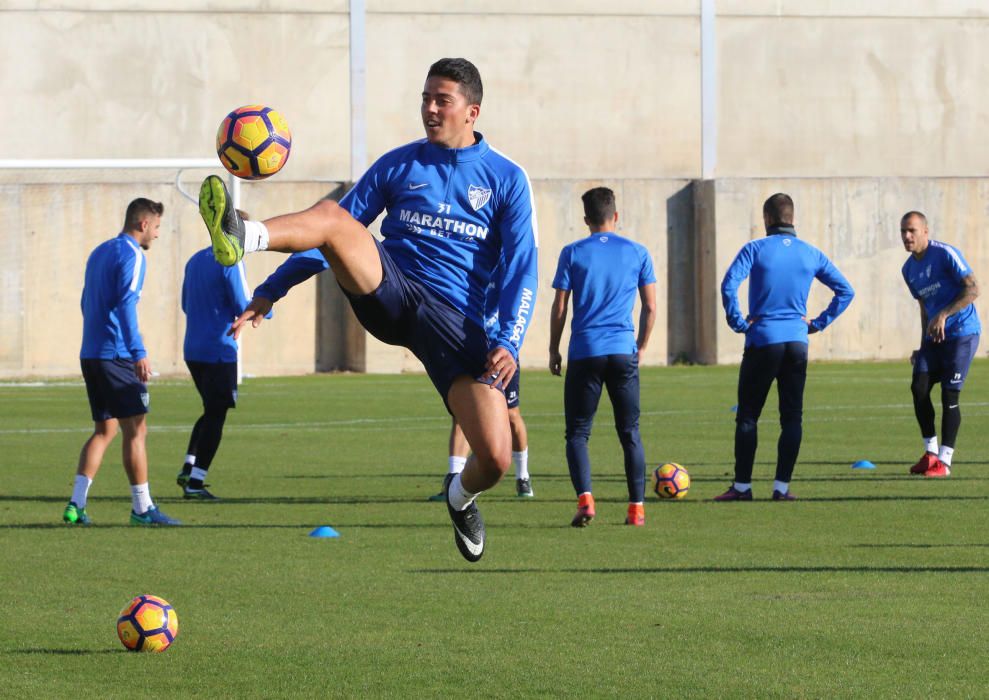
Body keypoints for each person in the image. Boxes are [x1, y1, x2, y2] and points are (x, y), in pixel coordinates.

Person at [198, 58, 538, 562]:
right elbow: (328, 234)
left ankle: (459, 498)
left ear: (472, 111)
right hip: (392, 289)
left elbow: (522, 268)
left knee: (493, 459)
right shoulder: (400, 164)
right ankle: (244, 234)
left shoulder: (506, 178)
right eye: (425, 97)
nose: (429, 108)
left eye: (441, 99)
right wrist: (270, 292)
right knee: (336, 218)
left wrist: (510, 340)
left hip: (459, 324)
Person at [717, 193, 854, 502]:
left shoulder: (755, 249)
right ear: (792, 218)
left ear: (767, 219)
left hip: (763, 339)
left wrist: (738, 322)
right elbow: (845, 291)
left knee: (749, 416)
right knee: (792, 417)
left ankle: (742, 487)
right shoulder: (811, 253)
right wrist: (817, 323)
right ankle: (781, 488)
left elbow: (728, 285)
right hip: (796, 342)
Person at [63, 198, 180, 526]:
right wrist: (138, 352)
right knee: (136, 431)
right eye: (156, 227)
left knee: (104, 430)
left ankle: (76, 505)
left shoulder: (100, 251)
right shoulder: (132, 255)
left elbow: (87, 300)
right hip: (117, 356)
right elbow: (127, 304)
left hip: (92, 353)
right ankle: (143, 509)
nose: (157, 234)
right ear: (143, 225)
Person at [548, 187, 657, 527]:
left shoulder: (572, 252)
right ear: (616, 216)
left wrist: (554, 348)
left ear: (586, 220)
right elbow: (651, 307)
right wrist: (640, 345)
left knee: (578, 433)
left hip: (585, 351)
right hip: (623, 350)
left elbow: (561, 306)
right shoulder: (638, 252)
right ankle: (636, 509)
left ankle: (586, 501)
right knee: (630, 432)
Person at [177, 211, 263, 500]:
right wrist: (267, 307)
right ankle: (195, 483)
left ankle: (189, 467)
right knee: (217, 414)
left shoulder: (195, 259)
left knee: (211, 409)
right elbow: (243, 303)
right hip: (219, 350)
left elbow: (186, 304)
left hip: (193, 349)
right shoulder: (231, 260)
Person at [900, 211, 980, 478]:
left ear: (925, 231)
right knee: (919, 387)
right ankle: (930, 453)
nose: (907, 236)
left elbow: (973, 289)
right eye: (903, 231)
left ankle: (944, 462)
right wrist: (923, 342)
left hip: (962, 334)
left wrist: (944, 314)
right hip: (935, 338)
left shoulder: (946, 254)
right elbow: (924, 307)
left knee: (949, 396)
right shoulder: (908, 269)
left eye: (911, 230)